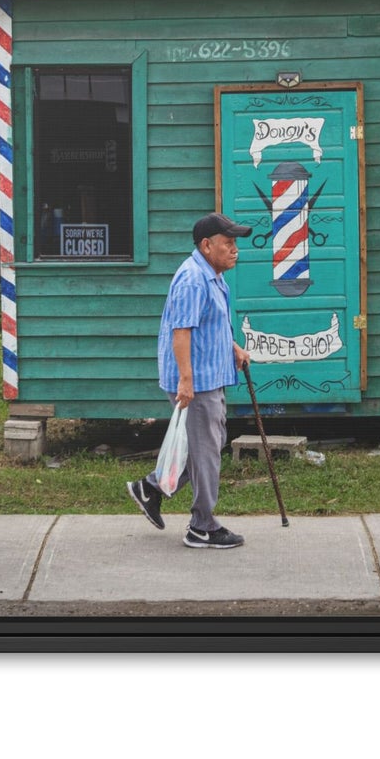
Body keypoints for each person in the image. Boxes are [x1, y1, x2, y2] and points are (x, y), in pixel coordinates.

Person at [126, 213, 253, 548]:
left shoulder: (212, 274)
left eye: (235, 243)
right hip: (196, 382)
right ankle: (203, 526)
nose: (235, 249)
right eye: (228, 243)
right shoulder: (193, 280)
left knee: (207, 446)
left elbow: (211, 323)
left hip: (207, 375)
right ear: (207, 245)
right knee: (207, 450)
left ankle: (152, 487)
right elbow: (181, 333)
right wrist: (186, 381)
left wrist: (234, 347)